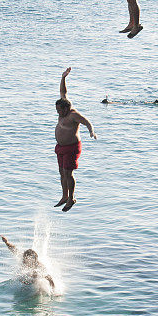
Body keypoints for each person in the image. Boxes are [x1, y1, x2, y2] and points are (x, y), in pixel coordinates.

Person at [54, 67, 97, 212]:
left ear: (66, 108)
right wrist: (63, 77)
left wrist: (91, 131)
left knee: (68, 173)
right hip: (60, 147)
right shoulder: (63, 106)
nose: (58, 113)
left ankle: (71, 198)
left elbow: (87, 122)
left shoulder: (73, 114)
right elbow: (63, 92)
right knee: (61, 171)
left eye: (59, 110)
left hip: (71, 147)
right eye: (57, 110)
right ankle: (64, 196)